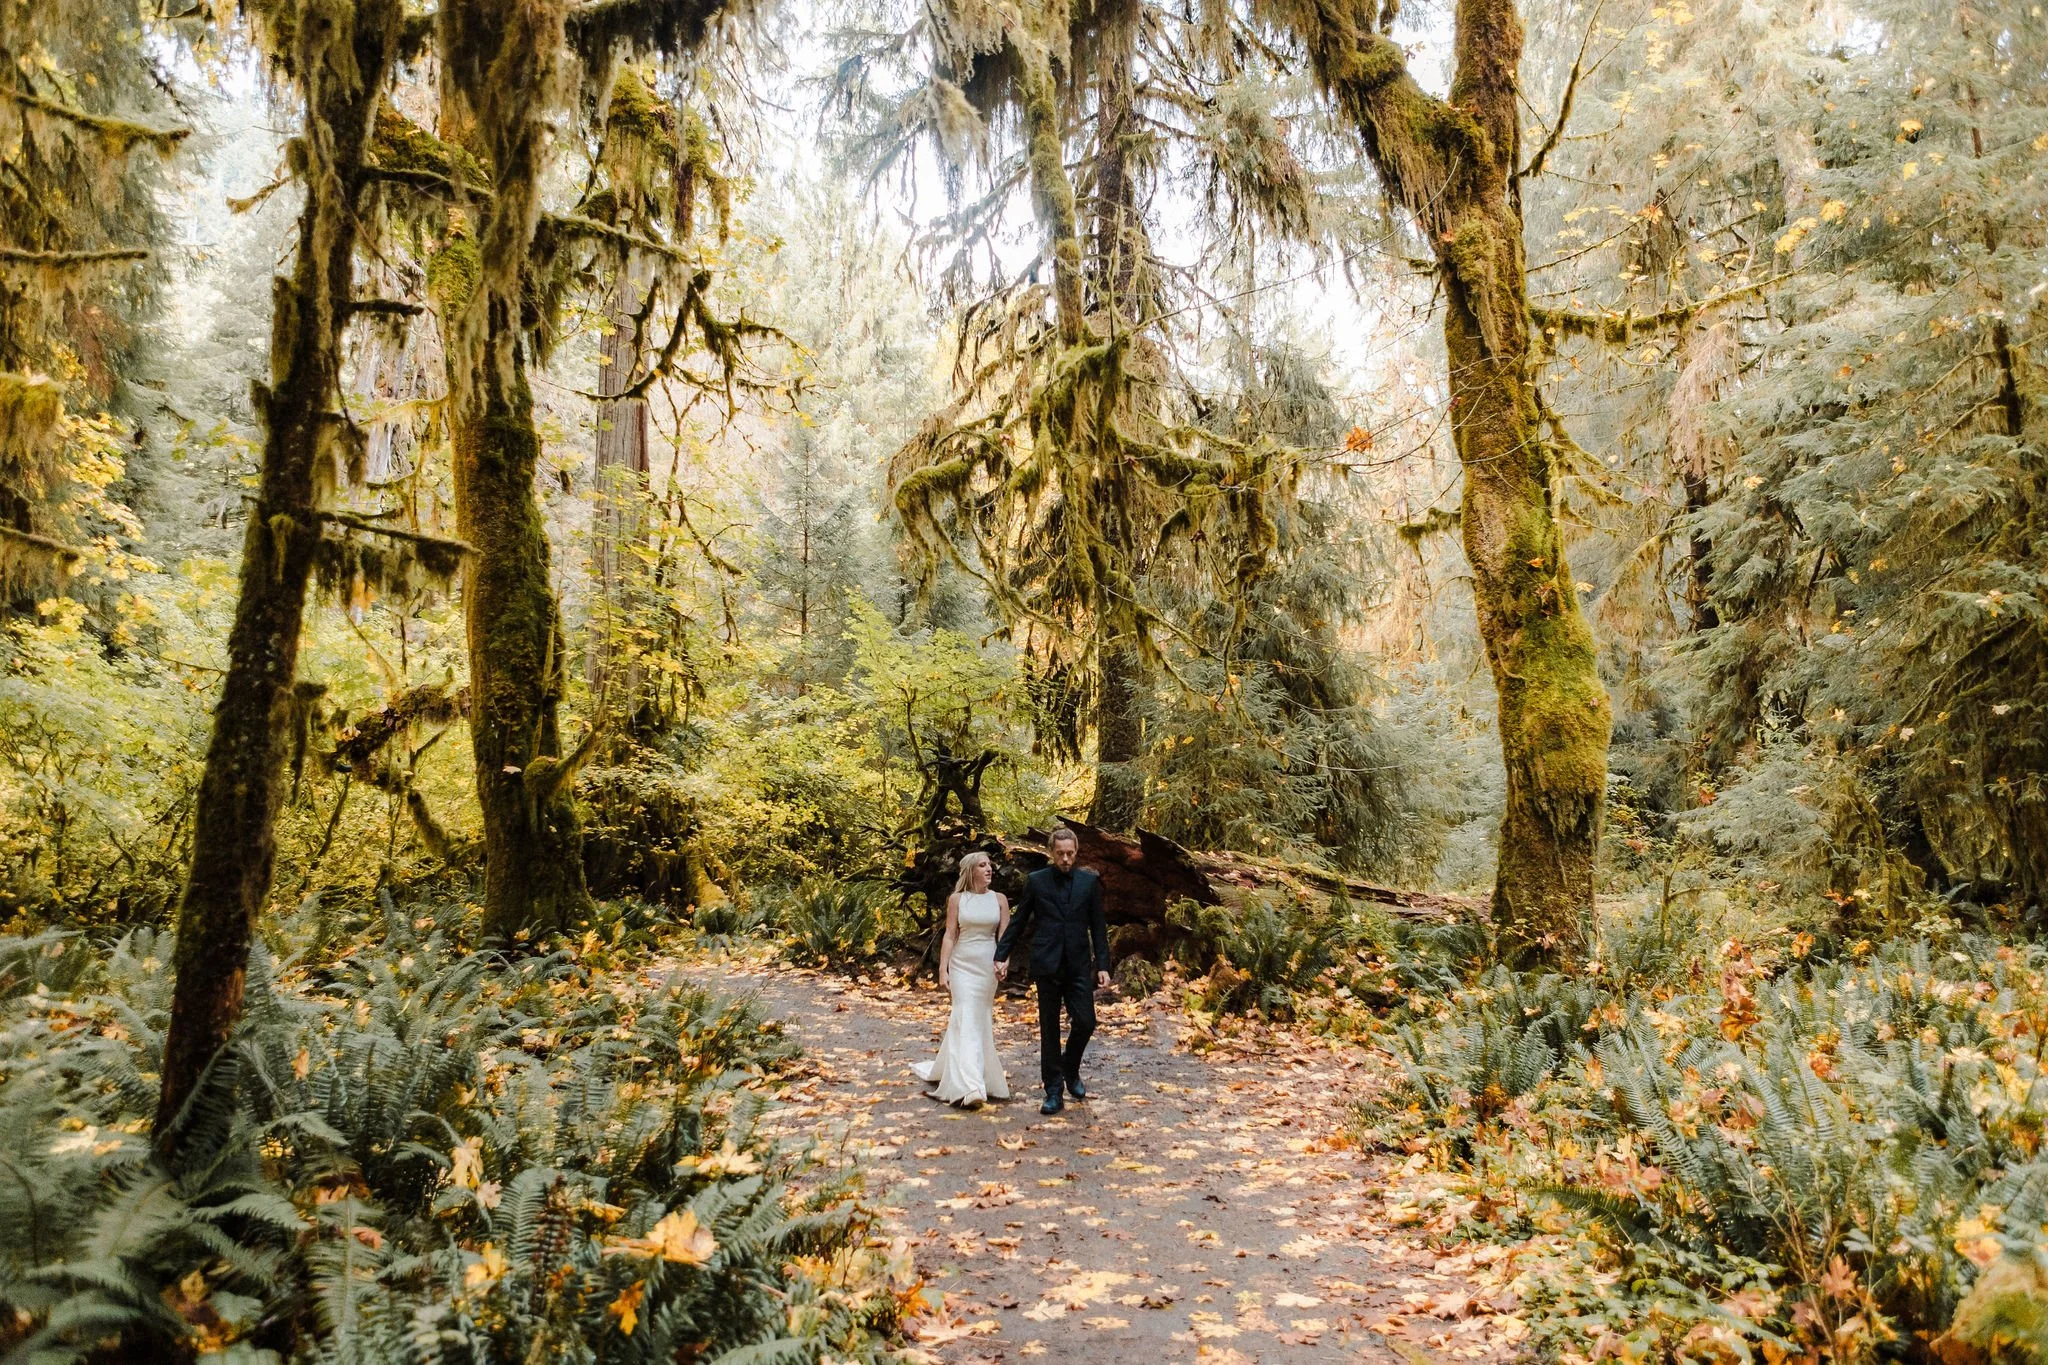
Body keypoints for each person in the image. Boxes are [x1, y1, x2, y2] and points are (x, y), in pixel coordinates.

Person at [994, 827, 1110, 1116]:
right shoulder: (1037, 881)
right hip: (1046, 963)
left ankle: (1070, 1070)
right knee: (1049, 1028)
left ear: (1077, 851)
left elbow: (1098, 927)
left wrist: (1104, 966)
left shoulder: (1088, 882)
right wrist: (1001, 954)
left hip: (1079, 964)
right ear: (1051, 853)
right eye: (1060, 854)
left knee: (1085, 1021)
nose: (1066, 859)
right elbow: (1019, 921)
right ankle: (1053, 1090)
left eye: (1070, 854)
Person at [912, 851, 1011, 1108]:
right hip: (962, 965)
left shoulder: (999, 900)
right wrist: (943, 969)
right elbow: (949, 935)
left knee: (978, 1018)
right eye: (982, 865)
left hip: (987, 966)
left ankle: (972, 1072)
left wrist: (1004, 962)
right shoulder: (957, 899)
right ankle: (971, 1087)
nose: (989, 869)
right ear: (971, 871)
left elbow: (1005, 937)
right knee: (965, 1013)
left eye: (989, 864)